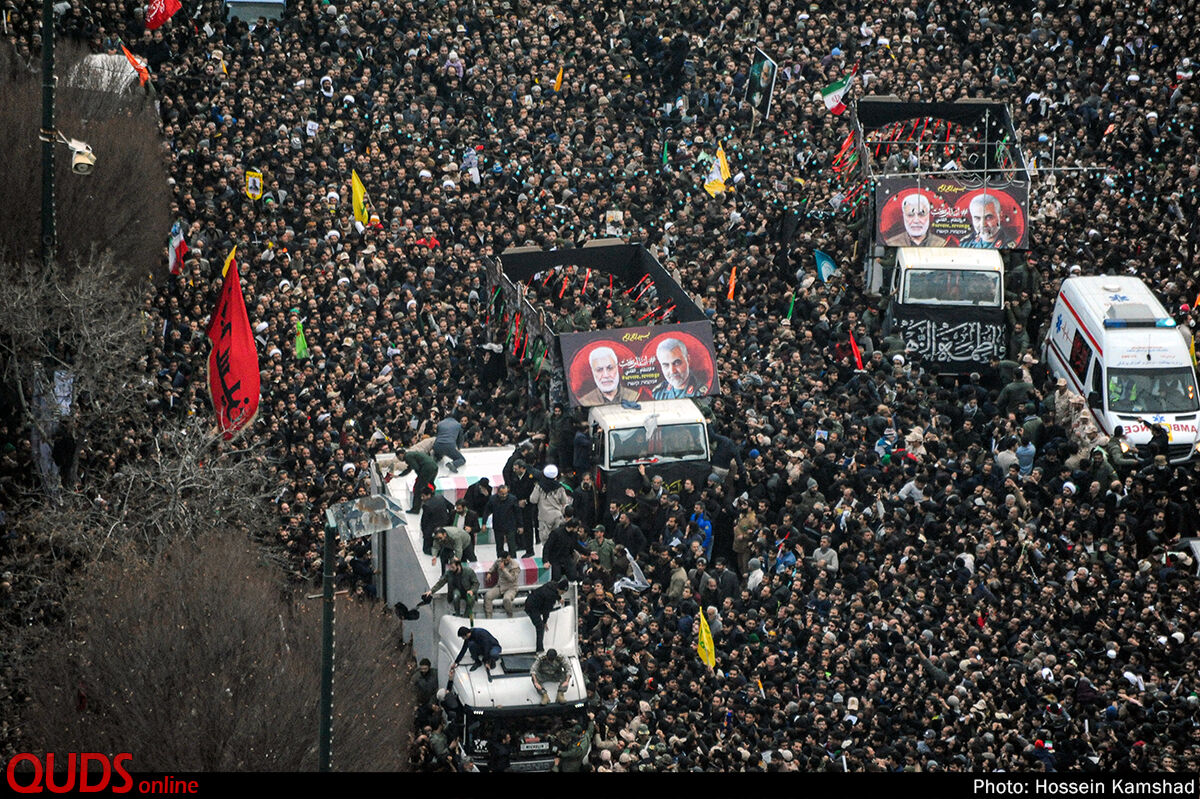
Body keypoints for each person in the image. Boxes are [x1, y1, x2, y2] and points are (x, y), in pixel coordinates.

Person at [884, 193, 948, 247]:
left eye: (921, 215)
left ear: (928, 215)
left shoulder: (941, 244)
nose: (916, 221)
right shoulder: (892, 243)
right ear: (904, 216)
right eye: (910, 215)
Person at [530, 464, 570, 543]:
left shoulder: (539, 487)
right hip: (557, 516)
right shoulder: (560, 487)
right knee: (558, 539)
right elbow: (565, 501)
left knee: (546, 541)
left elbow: (533, 500)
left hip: (544, 517)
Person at [524, 577, 567, 653]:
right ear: (560, 589)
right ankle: (539, 649)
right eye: (562, 592)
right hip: (532, 607)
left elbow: (554, 593)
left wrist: (559, 598)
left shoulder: (552, 585)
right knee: (540, 626)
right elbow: (546, 610)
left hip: (533, 600)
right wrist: (545, 621)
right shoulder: (550, 596)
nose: (562, 594)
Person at [484, 482, 522, 559]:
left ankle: (513, 561)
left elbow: (518, 513)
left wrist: (520, 525)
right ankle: (500, 561)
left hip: (510, 526)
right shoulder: (492, 499)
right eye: (502, 494)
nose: (504, 495)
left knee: (512, 546)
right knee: (499, 546)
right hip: (498, 526)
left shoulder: (512, 499)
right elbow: (486, 511)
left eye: (505, 493)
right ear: (498, 492)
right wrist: (484, 523)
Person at [397, 447, 439, 515]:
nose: (399, 459)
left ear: (401, 454)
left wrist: (419, 479)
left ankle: (415, 509)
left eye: (398, 457)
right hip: (434, 467)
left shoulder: (408, 456)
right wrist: (399, 475)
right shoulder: (411, 454)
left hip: (426, 469)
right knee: (430, 486)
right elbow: (410, 468)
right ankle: (433, 504)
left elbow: (416, 467)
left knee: (418, 489)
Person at [419, 486, 455, 558]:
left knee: (426, 549)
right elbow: (451, 507)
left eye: (423, 496)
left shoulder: (427, 505)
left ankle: (439, 552)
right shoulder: (440, 497)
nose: (422, 498)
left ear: (428, 495)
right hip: (445, 524)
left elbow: (424, 522)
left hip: (433, 528)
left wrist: (424, 533)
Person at [484, 552, 521, 619]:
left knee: (506, 599)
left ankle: (510, 616)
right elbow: (494, 566)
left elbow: (512, 579)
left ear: (509, 557)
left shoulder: (515, 566)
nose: (504, 562)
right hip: (500, 586)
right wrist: (489, 572)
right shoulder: (499, 561)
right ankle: (488, 617)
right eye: (503, 560)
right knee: (487, 596)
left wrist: (504, 569)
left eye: (506, 560)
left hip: (511, 587)